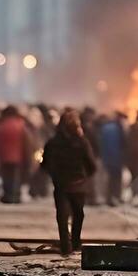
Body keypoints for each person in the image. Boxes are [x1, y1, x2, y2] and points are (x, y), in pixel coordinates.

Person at [40, 109, 97, 254]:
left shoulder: (52, 143)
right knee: (78, 215)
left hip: (60, 185)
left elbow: (44, 164)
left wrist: (54, 175)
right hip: (78, 185)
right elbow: (91, 165)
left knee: (62, 216)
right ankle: (76, 243)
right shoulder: (82, 142)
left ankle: (65, 246)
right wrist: (84, 177)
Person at [0, 104, 35, 204]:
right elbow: (27, 142)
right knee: (16, 177)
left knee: (5, 177)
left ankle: (7, 195)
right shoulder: (21, 125)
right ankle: (15, 196)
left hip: (3, 156)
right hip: (17, 156)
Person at [97, 112, 127, 205]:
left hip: (107, 158)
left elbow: (101, 143)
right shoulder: (119, 129)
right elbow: (123, 144)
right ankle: (115, 197)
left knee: (109, 179)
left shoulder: (105, 128)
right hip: (116, 158)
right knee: (116, 179)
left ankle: (109, 198)